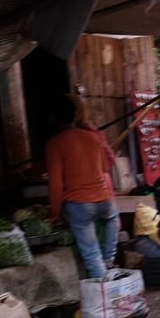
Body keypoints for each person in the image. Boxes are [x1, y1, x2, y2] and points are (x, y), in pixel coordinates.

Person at [45, 94, 119, 279]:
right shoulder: (93, 137)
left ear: (52, 119)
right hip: (104, 200)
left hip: (79, 205)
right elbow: (104, 167)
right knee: (111, 220)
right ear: (74, 115)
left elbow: (56, 184)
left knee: (91, 254)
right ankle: (109, 261)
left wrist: (54, 214)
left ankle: (104, 290)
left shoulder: (54, 144)